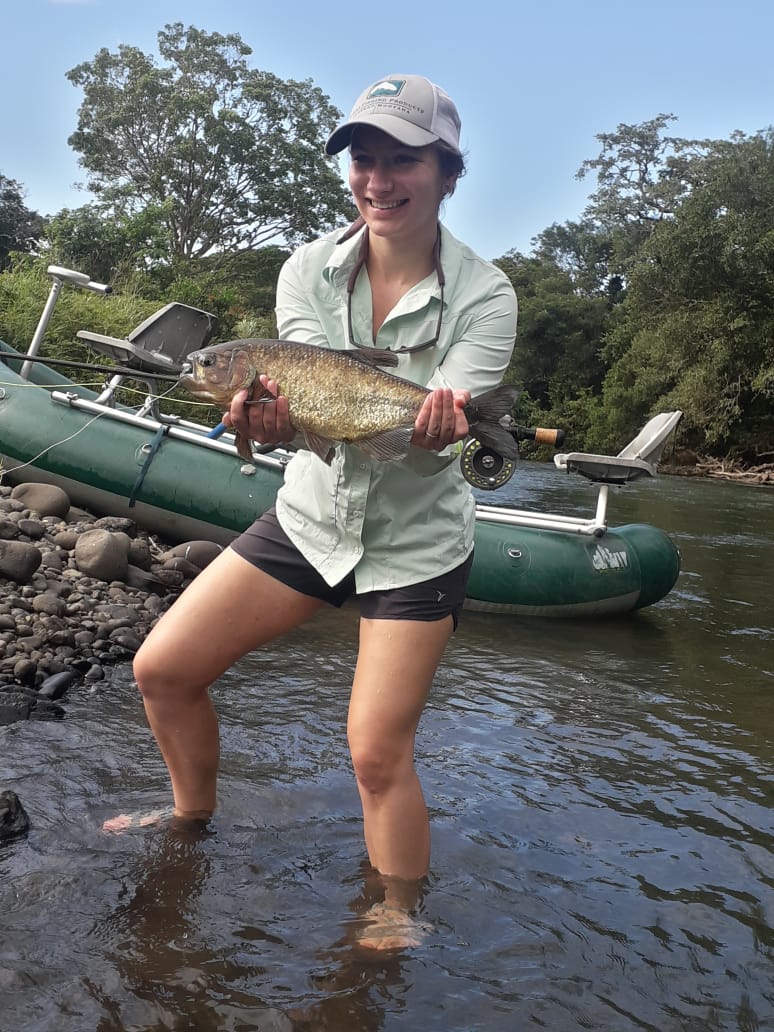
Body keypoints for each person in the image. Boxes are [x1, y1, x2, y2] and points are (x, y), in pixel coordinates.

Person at [126, 74, 518, 947]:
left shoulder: (487, 297)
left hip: (416, 543)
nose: (379, 179)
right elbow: (313, 415)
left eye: (403, 160)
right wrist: (271, 422)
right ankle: (189, 819)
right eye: (365, 160)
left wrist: (437, 428)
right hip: (312, 520)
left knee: (376, 752)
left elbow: (435, 441)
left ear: (449, 172)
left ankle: (397, 913)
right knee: (163, 670)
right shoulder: (305, 269)